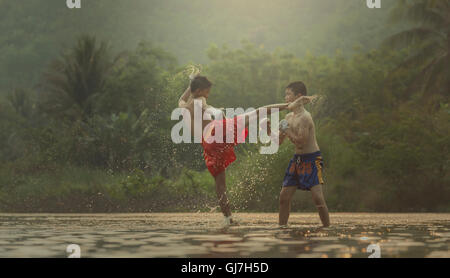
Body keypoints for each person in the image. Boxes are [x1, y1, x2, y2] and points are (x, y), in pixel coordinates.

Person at [178, 70, 289, 225]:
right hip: (218, 132)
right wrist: (215, 111)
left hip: (209, 144)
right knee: (257, 112)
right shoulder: (200, 100)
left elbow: (182, 99)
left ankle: (228, 218)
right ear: (198, 91)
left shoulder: (183, 106)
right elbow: (202, 105)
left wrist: (191, 82)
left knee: (220, 186)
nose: (208, 95)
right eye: (206, 92)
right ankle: (289, 106)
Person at [274, 81, 330, 227]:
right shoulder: (288, 118)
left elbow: (301, 142)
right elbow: (278, 142)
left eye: (288, 94)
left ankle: (327, 228)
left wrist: (286, 130)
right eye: (285, 94)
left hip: (312, 159)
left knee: (318, 198)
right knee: (284, 197)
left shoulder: (305, 117)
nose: (285, 97)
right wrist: (268, 128)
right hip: (297, 160)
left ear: (298, 96)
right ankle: (282, 228)